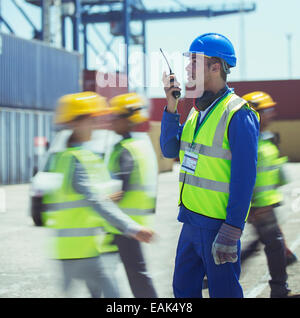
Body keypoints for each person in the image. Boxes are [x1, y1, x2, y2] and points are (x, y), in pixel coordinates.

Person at [160, 32, 260, 298]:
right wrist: (172, 105)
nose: (187, 67)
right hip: (190, 222)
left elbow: (245, 178)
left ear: (215, 67)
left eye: (194, 61)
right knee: (182, 291)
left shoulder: (238, 114)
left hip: (219, 227)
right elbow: (170, 149)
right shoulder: (195, 112)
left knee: (224, 293)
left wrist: (233, 228)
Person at [41, 91, 154, 298]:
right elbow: (95, 201)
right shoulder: (78, 159)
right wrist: (132, 227)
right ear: (77, 123)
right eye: (92, 119)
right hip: (85, 251)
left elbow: (47, 202)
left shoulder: (60, 157)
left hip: (66, 250)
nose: (98, 124)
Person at [242, 91, 298, 298]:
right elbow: (242, 178)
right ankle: (279, 290)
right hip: (260, 207)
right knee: (275, 248)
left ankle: (279, 289)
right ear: (255, 113)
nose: (272, 114)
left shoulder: (263, 139)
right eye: (268, 110)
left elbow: (272, 172)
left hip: (267, 204)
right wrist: (251, 207)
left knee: (262, 245)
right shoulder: (248, 142)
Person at [107, 92, 158, 298]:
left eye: (115, 117)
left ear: (128, 119)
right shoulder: (141, 145)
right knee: (132, 272)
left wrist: (97, 204)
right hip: (132, 221)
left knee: (135, 274)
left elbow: (121, 188)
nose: (111, 121)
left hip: (123, 224)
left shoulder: (125, 150)